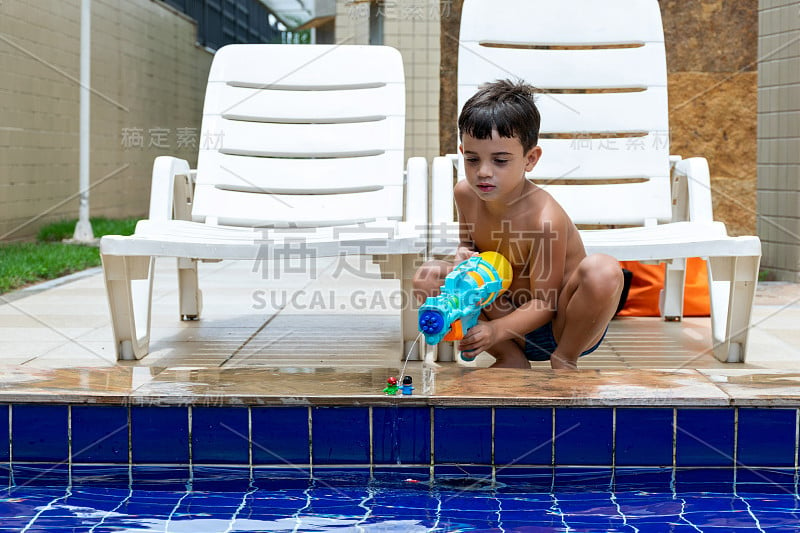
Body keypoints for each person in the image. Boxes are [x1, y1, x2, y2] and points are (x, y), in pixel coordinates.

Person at [413, 79, 623, 370]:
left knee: (603, 269)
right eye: (473, 159)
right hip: (505, 317)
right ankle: (509, 357)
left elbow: (544, 303)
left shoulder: (544, 219)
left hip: (563, 325)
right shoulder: (465, 194)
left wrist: (495, 330)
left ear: (530, 159)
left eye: (500, 160)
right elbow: (469, 247)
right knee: (429, 275)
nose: (483, 172)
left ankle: (565, 361)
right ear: (463, 152)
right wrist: (462, 255)